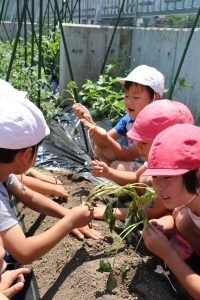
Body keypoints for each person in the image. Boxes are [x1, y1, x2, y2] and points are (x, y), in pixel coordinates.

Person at [0, 94, 100, 266]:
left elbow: (29, 197)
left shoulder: (3, 174)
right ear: (26, 155)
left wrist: (67, 214)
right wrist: (71, 222)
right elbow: (24, 252)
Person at [91, 100, 194, 221]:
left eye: (144, 142)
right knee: (143, 178)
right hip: (155, 204)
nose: (138, 146)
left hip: (173, 213)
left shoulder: (172, 173)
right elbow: (136, 177)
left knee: (173, 221)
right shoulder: (156, 159)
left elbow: (152, 210)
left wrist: (112, 212)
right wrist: (108, 172)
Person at [142, 123, 200, 299]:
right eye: (154, 176)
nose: (158, 186)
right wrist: (160, 228)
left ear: (197, 174)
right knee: (182, 220)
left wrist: (167, 253)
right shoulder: (188, 207)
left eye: (167, 177)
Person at [73, 65, 165, 171]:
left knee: (117, 167)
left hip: (152, 169)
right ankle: (114, 175)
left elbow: (128, 155)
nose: (128, 102)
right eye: (126, 96)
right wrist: (89, 122)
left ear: (156, 98)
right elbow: (102, 144)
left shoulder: (154, 124)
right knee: (100, 150)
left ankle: (115, 175)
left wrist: (104, 137)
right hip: (136, 163)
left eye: (136, 97)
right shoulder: (129, 120)